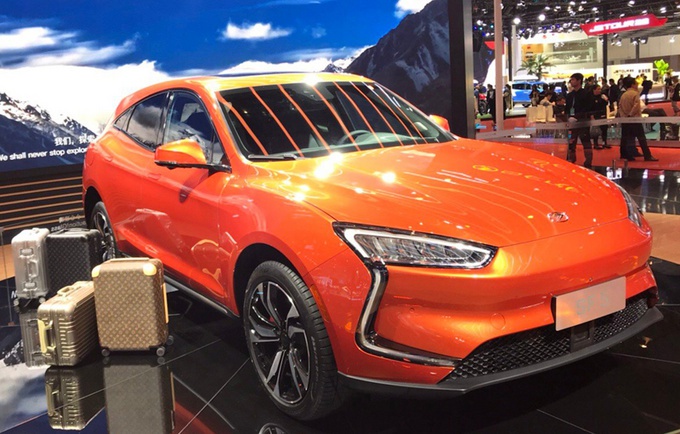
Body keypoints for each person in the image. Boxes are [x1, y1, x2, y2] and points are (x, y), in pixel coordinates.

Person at [618, 76, 658, 161]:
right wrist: (631, 114)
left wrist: (624, 116)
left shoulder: (623, 95)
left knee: (625, 137)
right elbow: (636, 106)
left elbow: (620, 107)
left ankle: (624, 153)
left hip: (625, 119)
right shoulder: (635, 93)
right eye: (636, 84)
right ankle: (647, 155)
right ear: (632, 84)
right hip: (635, 119)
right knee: (641, 138)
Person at [565, 72, 595, 168]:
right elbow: (567, 109)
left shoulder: (586, 94)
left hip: (583, 122)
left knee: (586, 141)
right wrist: (568, 117)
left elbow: (588, 108)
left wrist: (578, 117)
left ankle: (588, 162)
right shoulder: (570, 95)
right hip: (571, 123)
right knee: (571, 141)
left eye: (573, 79)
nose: (571, 81)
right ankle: (571, 159)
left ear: (579, 81)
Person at [591, 85, 611, 149]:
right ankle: (595, 144)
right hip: (596, 116)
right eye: (598, 89)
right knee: (596, 131)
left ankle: (604, 143)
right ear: (594, 90)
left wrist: (606, 99)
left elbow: (606, 104)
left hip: (603, 115)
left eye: (600, 89)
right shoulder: (592, 98)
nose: (600, 90)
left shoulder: (602, 96)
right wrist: (592, 116)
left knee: (604, 129)